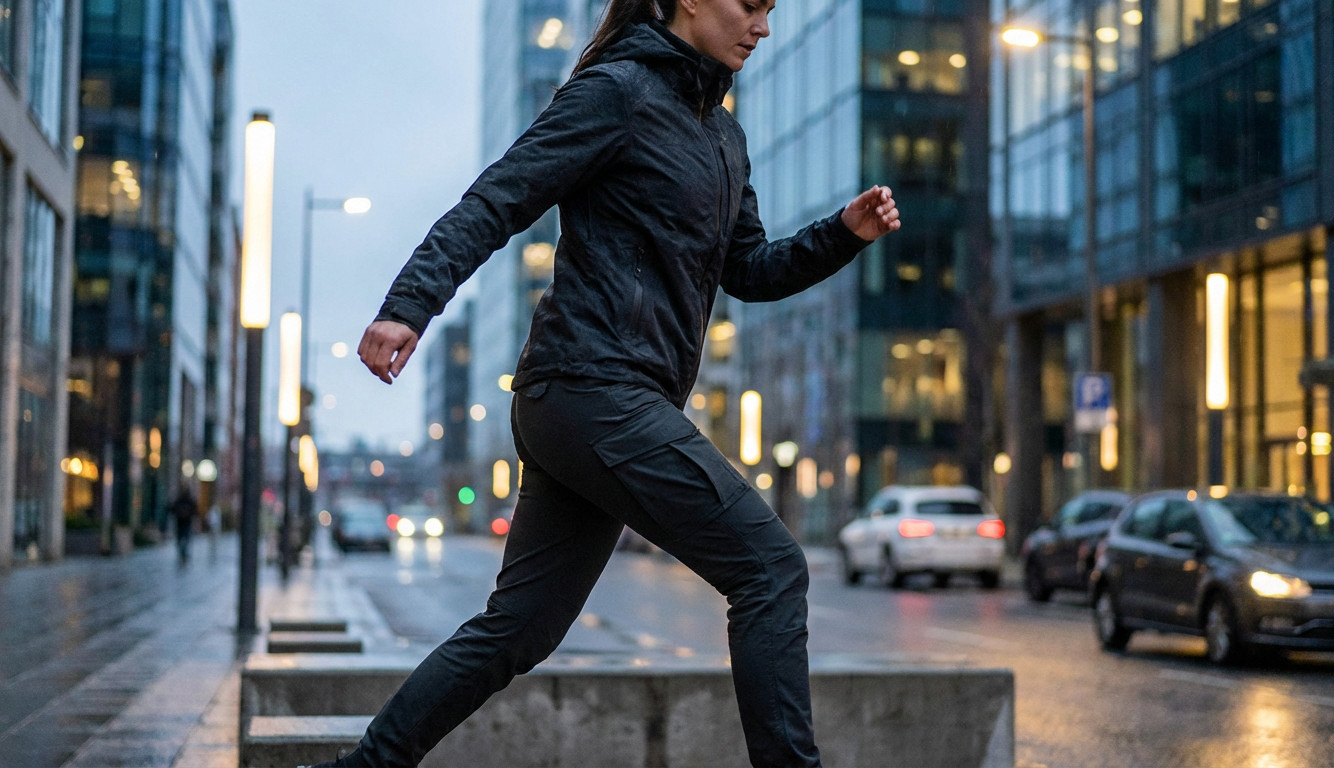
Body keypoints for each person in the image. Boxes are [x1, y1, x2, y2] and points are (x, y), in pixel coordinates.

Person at [307, 0, 900, 765]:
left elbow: (748, 271)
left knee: (518, 628)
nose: (762, 26)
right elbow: (500, 196)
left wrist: (840, 235)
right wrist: (408, 305)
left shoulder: (723, 135)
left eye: (771, 9)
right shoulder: (618, 91)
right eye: (749, 5)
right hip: (590, 386)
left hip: (600, 403)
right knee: (770, 567)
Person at [169, 485, 197, 567]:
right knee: (183, 539)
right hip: (182, 523)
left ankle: (183, 554)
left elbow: (173, 509)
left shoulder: (182, 500)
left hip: (183, 523)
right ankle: (182, 554)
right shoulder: (186, 500)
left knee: (183, 539)